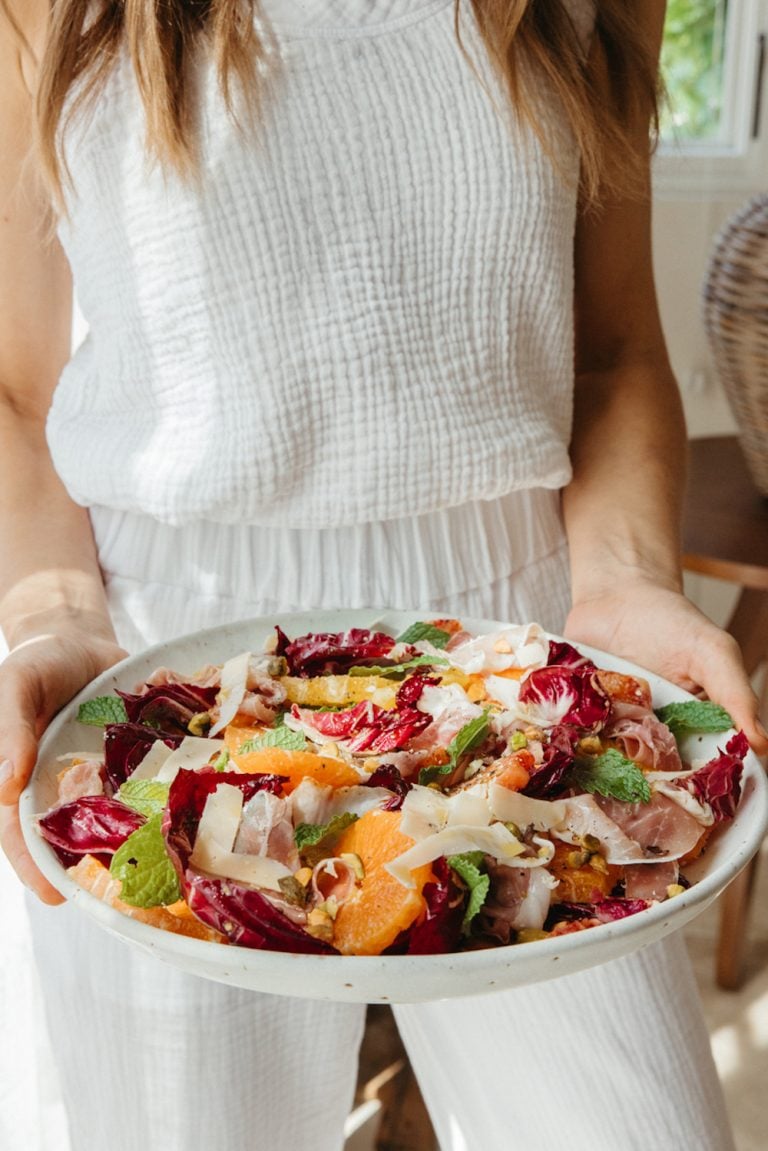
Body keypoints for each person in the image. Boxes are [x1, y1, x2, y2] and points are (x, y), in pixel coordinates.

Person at [0, 1, 765, 1149]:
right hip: (172, 674)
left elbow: (610, 350)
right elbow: (19, 391)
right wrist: (50, 611)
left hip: (515, 645)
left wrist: (629, 583)